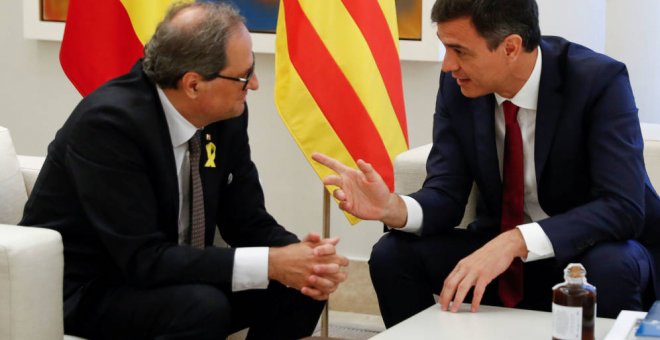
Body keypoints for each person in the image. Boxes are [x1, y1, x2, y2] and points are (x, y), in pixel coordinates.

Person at [313, 0, 660, 327]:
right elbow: (446, 194)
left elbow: (623, 206)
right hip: (501, 257)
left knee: (614, 264)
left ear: (510, 47)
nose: (448, 65)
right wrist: (392, 207)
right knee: (393, 255)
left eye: (460, 51)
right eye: (445, 47)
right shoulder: (458, 86)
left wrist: (515, 241)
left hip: (585, 256)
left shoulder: (597, 81)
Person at [21, 2, 348, 339]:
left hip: (169, 271)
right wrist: (271, 263)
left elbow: (248, 220)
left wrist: (305, 260)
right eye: (243, 76)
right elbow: (142, 259)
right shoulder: (109, 125)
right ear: (193, 85)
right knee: (200, 307)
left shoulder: (225, 115)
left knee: (304, 287)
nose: (254, 85)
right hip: (92, 287)